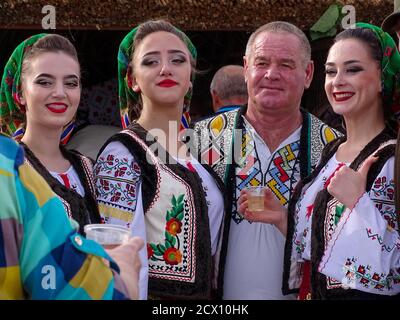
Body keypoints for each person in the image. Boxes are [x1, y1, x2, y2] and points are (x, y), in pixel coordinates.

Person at [239, 23, 400, 299]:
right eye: (331, 71)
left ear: (382, 78)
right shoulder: (331, 151)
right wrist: (283, 217)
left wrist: (360, 205)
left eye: (353, 69)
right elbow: (323, 250)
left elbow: (394, 271)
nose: (338, 81)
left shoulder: (392, 158)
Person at [192, 21, 341, 300]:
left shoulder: (334, 147)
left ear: (308, 73)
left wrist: (288, 219)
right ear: (246, 68)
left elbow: (346, 244)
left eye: (286, 65)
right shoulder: (200, 140)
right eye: (262, 63)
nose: (271, 74)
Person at [94, 19, 225, 300]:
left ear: (190, 76)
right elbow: (117, 258)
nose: (166, 68)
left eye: (177, 60)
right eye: (151, 62)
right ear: (132, 80)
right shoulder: (122, 154)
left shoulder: (201, 153)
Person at [0, 132, 143, 299]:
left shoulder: (85, 165)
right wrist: (123, 272)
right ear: (21, 103)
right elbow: (61, 281)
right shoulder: (11, 167)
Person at [0, 34, 101, 234]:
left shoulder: (87, 168)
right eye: (45, 82)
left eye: (71, 83)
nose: (60, 93)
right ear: (19, 93)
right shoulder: (7, 168)